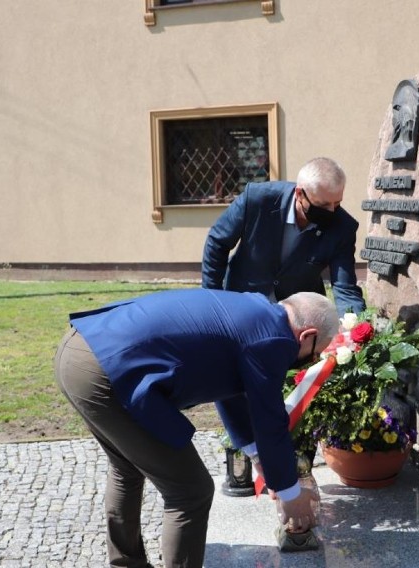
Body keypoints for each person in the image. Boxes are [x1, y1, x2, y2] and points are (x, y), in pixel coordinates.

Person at [54, 288, 339, 568]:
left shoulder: (257, 311)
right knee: (190, 491)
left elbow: (231, 391)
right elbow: (269, 420)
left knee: (127, 468)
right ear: (308, 336)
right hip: (106, 371)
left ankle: (126, 563)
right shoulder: (273, 339)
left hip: (80, 349)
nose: (312, 360)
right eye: (316, 353)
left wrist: (257, 456)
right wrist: (291, 495)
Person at [202, 156, 366, 317]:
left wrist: (356, 327)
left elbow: (345, 288)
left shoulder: (343, 227)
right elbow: (217, 243)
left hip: (299, 316)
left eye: (337, 203)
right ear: (300, 194)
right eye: (323, 205)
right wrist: (213, 300)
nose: (331, 211)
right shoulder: (257, 200)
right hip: (243, 302)